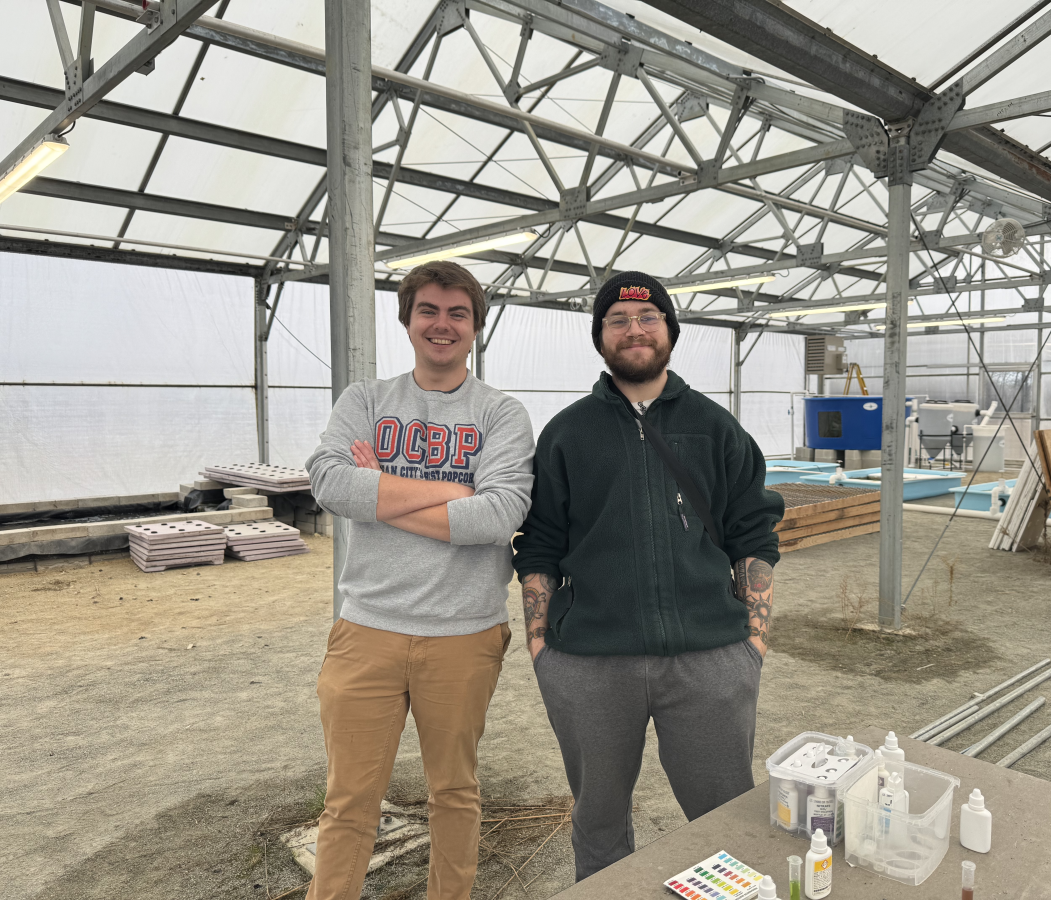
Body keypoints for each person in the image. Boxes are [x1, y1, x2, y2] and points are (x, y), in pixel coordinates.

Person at [513, 270, 784, 881]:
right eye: (618, 320)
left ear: (669, 330)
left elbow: (753, 532)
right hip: (589, 663)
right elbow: (540, 544)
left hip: (711, 656)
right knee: (599, 821)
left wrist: (753, 639)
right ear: (600, 337)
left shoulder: (716, 428)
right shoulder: (567, 433)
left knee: (726, 817)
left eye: (648, 317)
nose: (634, 329)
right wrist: (540, 646)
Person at [304, 260, 535, 900]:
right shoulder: (365, 400)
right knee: (350, 800)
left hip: (464, 633)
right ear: (406, 321)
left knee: (454, 794)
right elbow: (328, 484)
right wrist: (450, 490)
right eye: (428, 311)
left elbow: (500, 514)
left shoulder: (501, 414)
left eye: (458, 313)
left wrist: (380, 491)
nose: (442, 324)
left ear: (475, 327)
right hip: (367, 631)